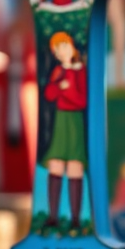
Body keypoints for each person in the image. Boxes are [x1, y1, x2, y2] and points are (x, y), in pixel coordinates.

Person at [41, 32, 87, 233]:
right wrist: (60, 86)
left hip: (74, 121)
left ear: (71, 47)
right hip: (60, 120)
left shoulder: (79, 71)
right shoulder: (58, 72)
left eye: (64, 47)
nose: (62, 52)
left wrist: (65, 91)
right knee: (56, 164)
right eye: (57, 50)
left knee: (75, 166)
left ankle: (76, 218)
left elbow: (81, 100)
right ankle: (53, 216)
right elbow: (49, 94)